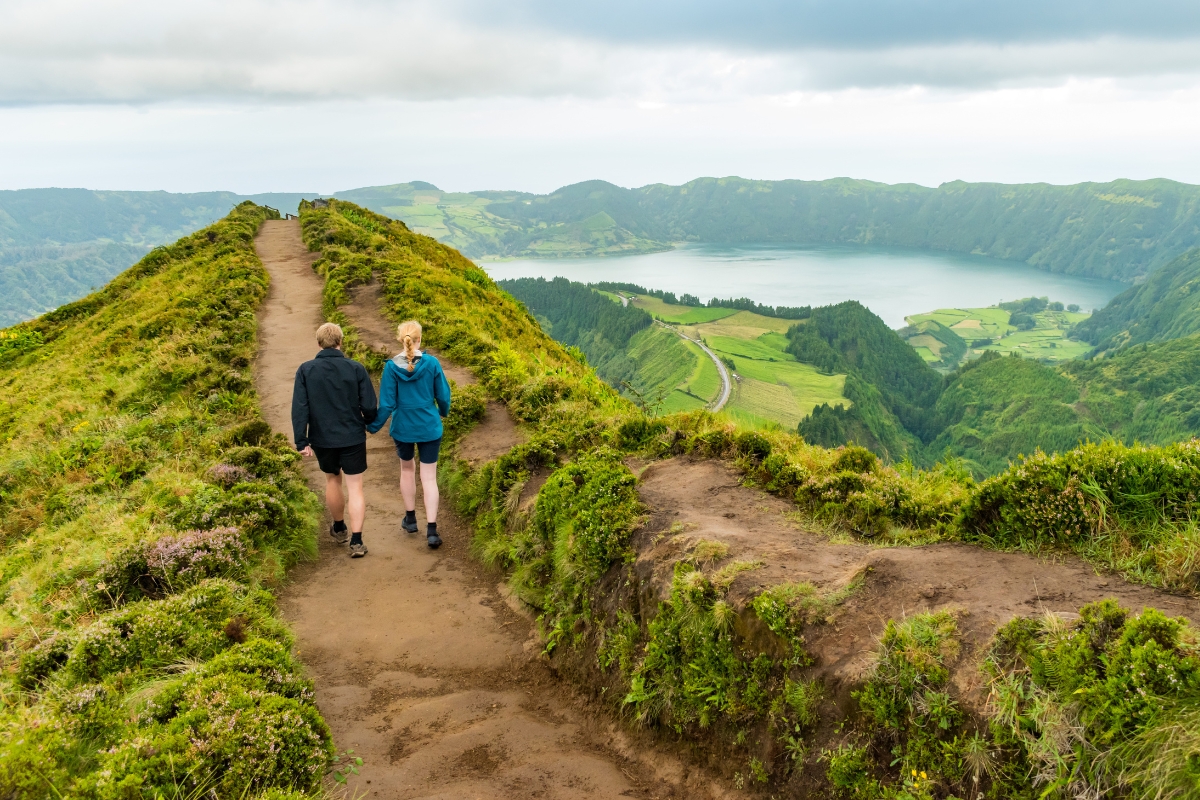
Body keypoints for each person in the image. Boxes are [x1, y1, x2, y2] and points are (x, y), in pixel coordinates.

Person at [292, 322, 377, 558]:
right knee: (355, 486)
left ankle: (339, 528)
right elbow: (370, 405)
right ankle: (357, 542)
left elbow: (300, 408)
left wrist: (302, 441)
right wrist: (369, 421)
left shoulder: (305, 370)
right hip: (352, 436)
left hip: (321, 438)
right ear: (340, 342)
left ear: (319, 343)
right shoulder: (356, 368)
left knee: (332, 479)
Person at [367, 320, 451, 549]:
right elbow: (443, 396)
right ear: (419, 340)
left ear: (400, 339)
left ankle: (411, 519)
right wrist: (442, 412)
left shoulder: (391, 367)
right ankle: (432, 530)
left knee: (406, 469)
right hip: (429, 426)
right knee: (429, 477)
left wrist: (373, 427)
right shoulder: (432, 364)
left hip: (403, 427)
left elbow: (386, 404)